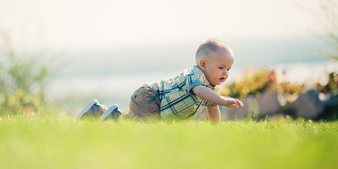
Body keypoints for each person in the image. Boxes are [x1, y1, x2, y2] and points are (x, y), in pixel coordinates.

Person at [77, 38, 244, 123]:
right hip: (151, 97)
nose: (226, 73)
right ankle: (111, 116)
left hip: (152, 100)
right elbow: (201, 92)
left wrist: (216, 130)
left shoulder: (211, 90)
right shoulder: (194, 76)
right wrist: (224, 100)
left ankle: (97, 111)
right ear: (203, 64)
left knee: (137, 123)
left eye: (228, 69)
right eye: (221, 68)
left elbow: (213, 109)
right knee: (141, 129)